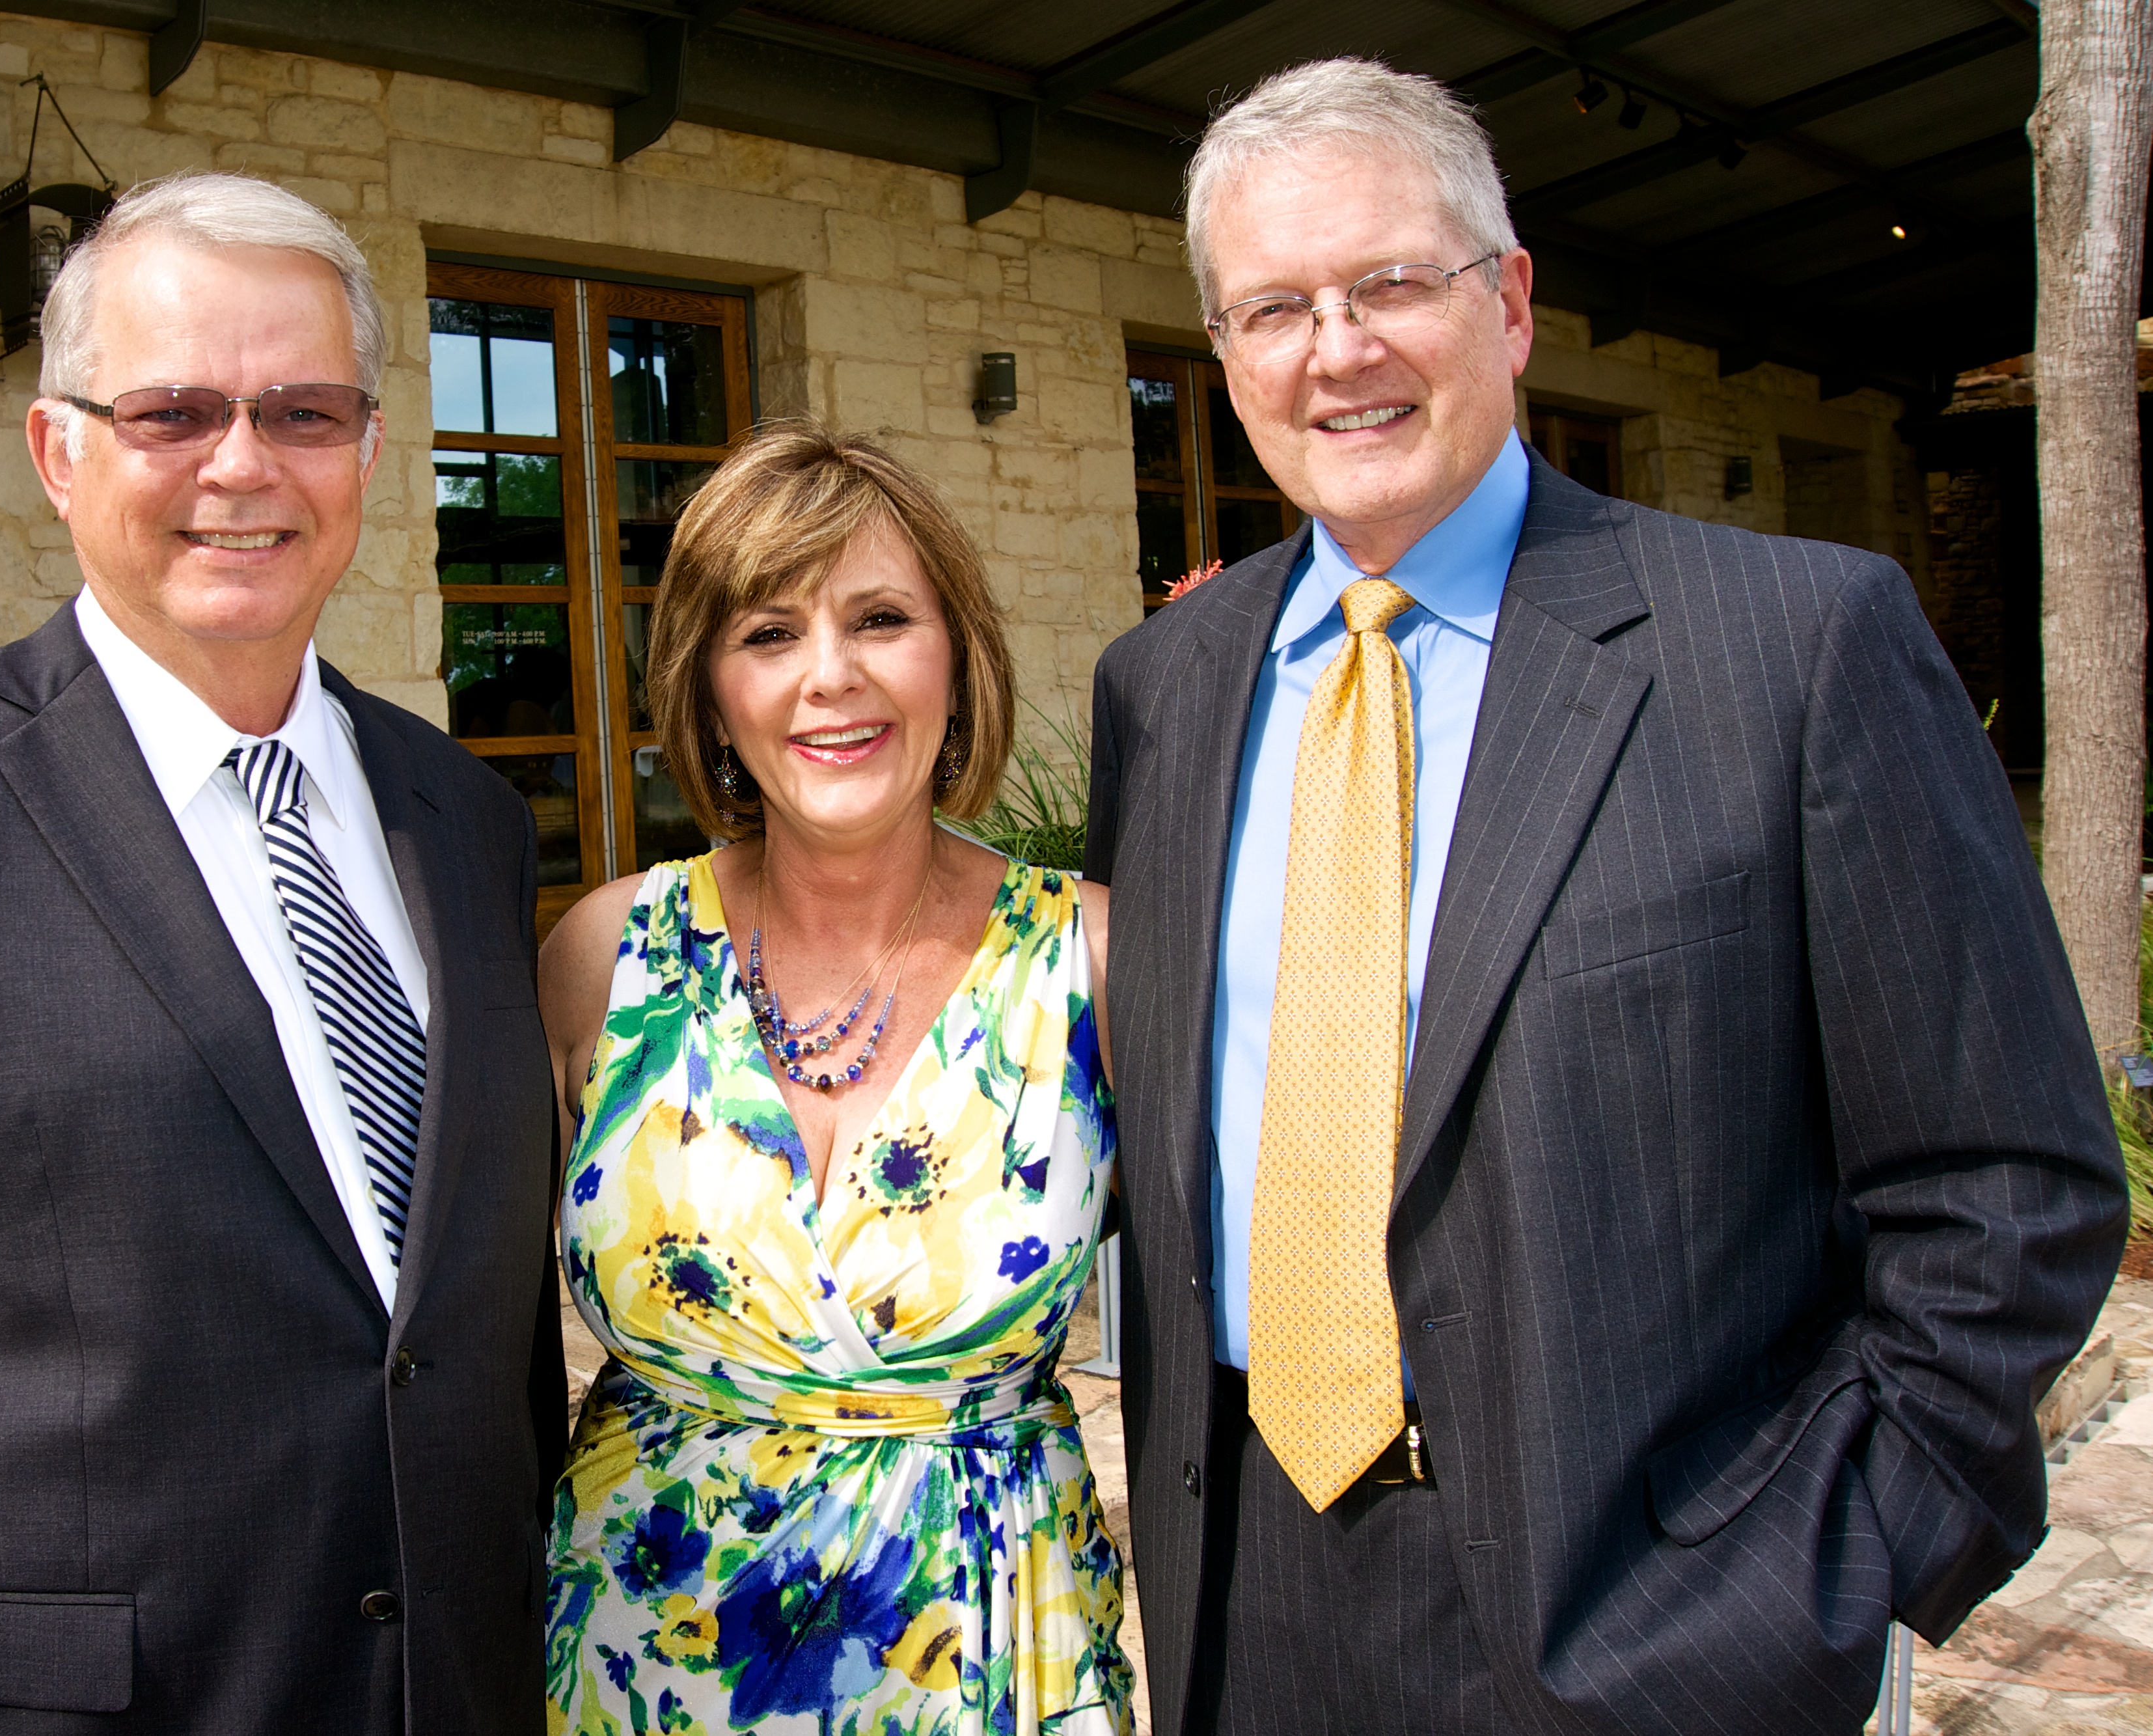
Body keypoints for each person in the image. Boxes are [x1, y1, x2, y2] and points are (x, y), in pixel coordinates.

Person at [1086, 58, 2127, 1736]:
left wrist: (1820, 1572)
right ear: (1225, 355)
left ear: (1508, 303)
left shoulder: (1793, 647)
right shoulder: (1161, 686)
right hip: (1245, 1597)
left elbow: (2006, 1185)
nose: (1333, 349)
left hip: (1657, 1616)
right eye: (1273, 308)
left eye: (1387, 282)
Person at [0, 174, 564, 1732]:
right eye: (171, 412)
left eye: (300, 411)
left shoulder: (465, 819)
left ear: (365, 451)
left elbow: (475, 1336)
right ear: (58, 450)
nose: (241, 463)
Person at [538, 425, 1132, 1735]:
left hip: (987, 1668)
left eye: (879, 619)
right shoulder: (602, 958)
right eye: (768, 633)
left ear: (957, 660)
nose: (830, 676)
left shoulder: (1093, 961)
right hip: (642, 1667)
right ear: (708, 694)